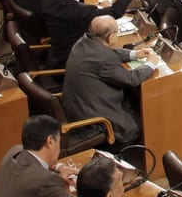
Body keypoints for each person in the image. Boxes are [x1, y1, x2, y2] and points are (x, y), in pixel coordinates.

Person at [64, 15, 158, 148]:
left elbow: (109, 53)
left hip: (78, 104)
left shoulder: (84, 42)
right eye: (117, 32)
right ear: (110, 37)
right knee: (148, 118)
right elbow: (131, 79)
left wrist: (134, 54)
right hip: (94, 116)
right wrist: (150, 64)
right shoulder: (104, 60)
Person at [41, 0, 138, 69]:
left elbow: (68, 4)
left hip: (55, 58)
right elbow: (116, 11)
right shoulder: (84, 12)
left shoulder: (47, 0)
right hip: (73, 66)